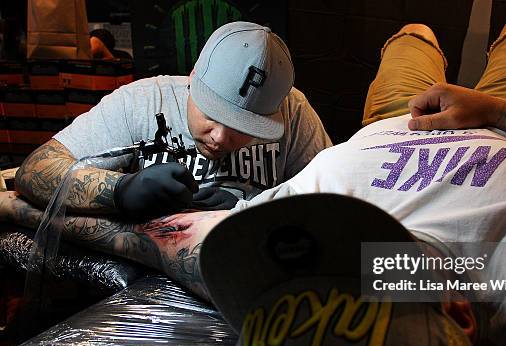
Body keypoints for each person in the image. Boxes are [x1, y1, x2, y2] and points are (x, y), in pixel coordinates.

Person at [1, 5, 506, 346]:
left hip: (393, 120)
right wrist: (500, 113)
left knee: (410, 36)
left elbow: (161, 241)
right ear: (459, 313)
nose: (221, 138)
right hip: (500, 123)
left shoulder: (323, 261)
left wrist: (32, 203)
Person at [14, 21, 332, 216]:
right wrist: (121, 190)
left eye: (242, 128)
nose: (220, 137)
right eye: (211, 113)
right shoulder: (141, 101)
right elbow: (34, 171)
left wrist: (256, 213)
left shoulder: (293, 111)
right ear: (194, 76)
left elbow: (336, 201)